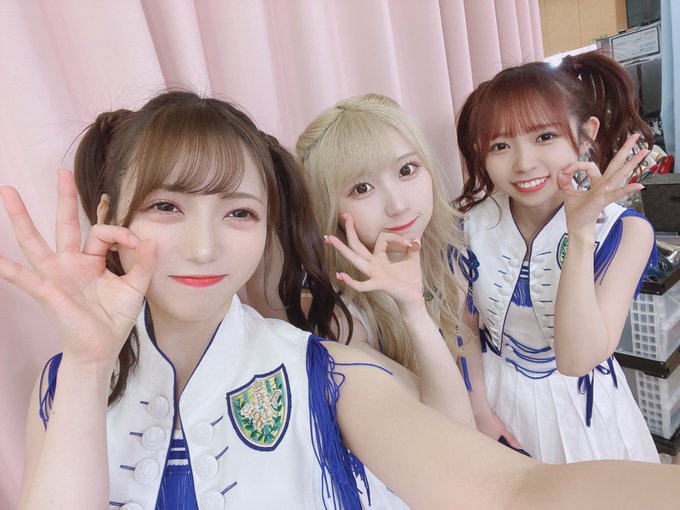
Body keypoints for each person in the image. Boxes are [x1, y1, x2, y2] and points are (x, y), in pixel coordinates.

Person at [5, 90, 680, 510]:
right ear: (107, 216)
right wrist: (88, 367)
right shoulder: (66, 381)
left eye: (239, 213)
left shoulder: (323, 370)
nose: (204, 248)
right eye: (165, 206)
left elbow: (508, 488)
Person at [454, 51, 660, 463]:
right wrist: (478, 413)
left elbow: (577, 359)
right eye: (500, 145)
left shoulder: (625, 232)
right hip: (494, 397)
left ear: (585, 135)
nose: (524, 163)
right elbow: (464, 328)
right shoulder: (467, 227)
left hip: (581, 413)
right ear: (481, 151)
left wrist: (580, 233)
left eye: (544, 137)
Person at [296, 93, 475, 427]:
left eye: (407, 169)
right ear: (330, 210)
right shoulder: (336, 315)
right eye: (362, 188)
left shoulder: (453, 252)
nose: (398, 205)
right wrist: (413, 310)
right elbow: (449, 430)